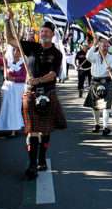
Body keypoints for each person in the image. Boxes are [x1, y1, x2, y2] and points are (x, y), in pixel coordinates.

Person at [4, 11, 66, 180]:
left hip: (48, 92)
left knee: (45, 131)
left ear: (52, 34)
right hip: (31, 94)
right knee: (32, 130)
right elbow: (10, 40)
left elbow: (53, 74)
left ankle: (41, 158)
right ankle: (32, 165)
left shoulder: (57, 53)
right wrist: (7, 21)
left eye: (46, 31)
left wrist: (37, 80)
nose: (43, 33)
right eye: (42, 31)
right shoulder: (32, 47)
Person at [84, 38, 112, 136]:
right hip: (95, 81)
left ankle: (105, 127)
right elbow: (88, 56)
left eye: (107, 46)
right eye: (103, 46)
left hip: (107, 81)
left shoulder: (111, 58)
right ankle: (96, 124)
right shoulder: (94, 56)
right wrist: (94, 45)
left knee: (106, 106)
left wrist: (111, 69)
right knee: (95, 106)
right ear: (99, 46)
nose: (106, 48)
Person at [0, 46, 26, 136]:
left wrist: (14, 78)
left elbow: (25, 78)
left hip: (18, 88)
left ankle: (14, 128)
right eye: (14, 51)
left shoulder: (23, 64)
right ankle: (7, 126)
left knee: (15, 108)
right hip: (7, 87)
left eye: (18, 51)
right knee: (7, 107)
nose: (16, 52)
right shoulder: (8, 62)